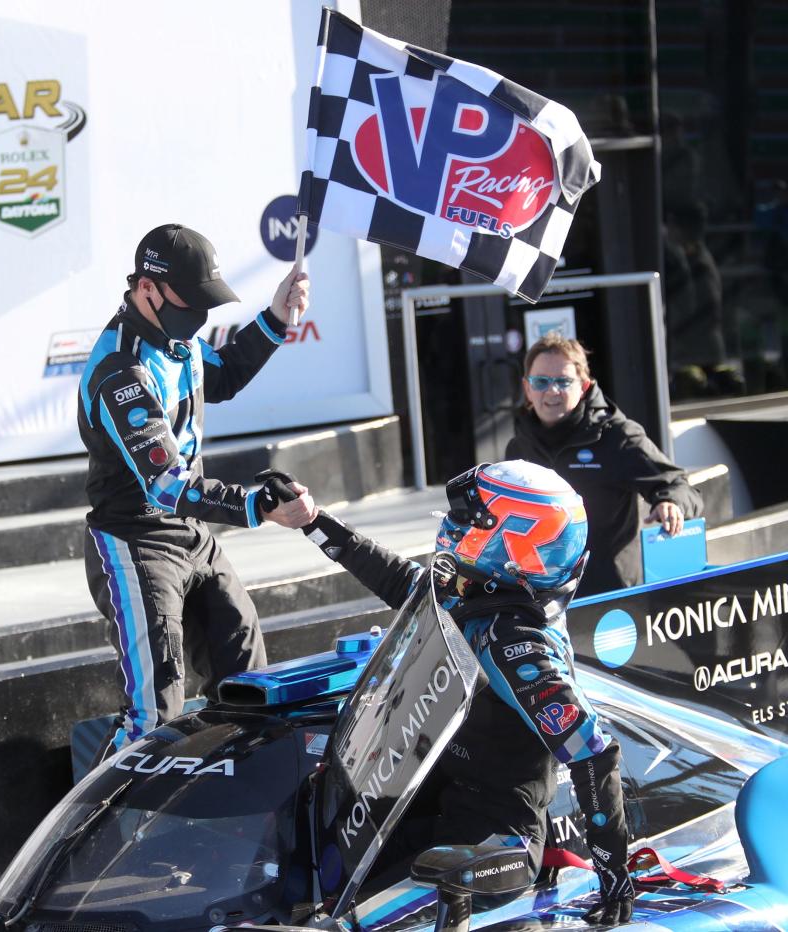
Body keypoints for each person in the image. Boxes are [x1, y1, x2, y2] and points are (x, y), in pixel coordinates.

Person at [297, 460, 635, 924]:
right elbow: (400, 580)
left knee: (348, 919)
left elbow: (593, 755)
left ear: (514, 542)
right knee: (313, 865)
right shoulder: (474, 594)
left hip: (496, 841)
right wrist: (312, 521)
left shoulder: (517, 646)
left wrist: (614, 877)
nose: (453, 526)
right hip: (440, 800)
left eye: (470, 521)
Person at [77, 223, 315, 758]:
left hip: (194, 535)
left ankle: (242, 813)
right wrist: (257, 506)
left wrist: (278, 318)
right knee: (152, 714)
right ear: (147, 289)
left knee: (248, 682)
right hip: (135, 544)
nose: (198, 318)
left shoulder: (177, 342)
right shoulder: (121, 369)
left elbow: (225, 373)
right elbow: (163, 485)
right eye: (190, 303)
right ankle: (86, 833)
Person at [506, 334, 703, 596]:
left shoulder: (616, 436)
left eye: (563, 381)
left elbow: (679, 485)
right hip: (545, 598)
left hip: (611, 598)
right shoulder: (519, 447)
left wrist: (671, 503)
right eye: (541, 382)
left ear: (584, 386)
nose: (552, 391)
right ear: (527, 388)